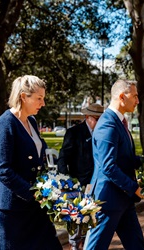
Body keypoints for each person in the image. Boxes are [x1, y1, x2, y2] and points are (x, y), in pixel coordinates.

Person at [0, 75, 62, 249]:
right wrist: (33, 193)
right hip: (9, 207)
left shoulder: (32, 122)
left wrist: (51, 185)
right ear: (23, 96)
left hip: (34, 206)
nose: (43, 103)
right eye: (39, 98)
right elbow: (2, 169)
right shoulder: (5, 124)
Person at [86, 79, 144, 250]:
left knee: (136, 245)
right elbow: (108, 166)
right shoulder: (108, 124)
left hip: (124, 198)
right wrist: (134, 188)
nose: (137, 100)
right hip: (108, 200)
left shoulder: (118, 122)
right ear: (121, 96)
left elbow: (125, 157)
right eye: (134, 96)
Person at [57, 103, 104, 250]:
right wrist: (66, 182)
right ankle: (75, 246)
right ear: (87, 117)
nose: (98, 122)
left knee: (94, 220)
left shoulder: (103, 132)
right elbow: (63, 158)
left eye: (101, 118)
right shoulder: (74, 132)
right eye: (96, 118)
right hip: (79, 184)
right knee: (77, 221)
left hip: (97, 183)